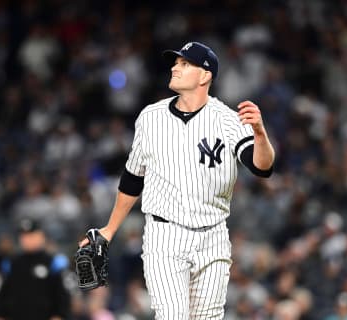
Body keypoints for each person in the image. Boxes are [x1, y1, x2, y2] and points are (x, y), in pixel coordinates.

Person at [79, 41, 275, 319]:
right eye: (176, 62)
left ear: (205, 75)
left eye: (185, 63)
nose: (175, 67)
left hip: (213, 236)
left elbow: (262, 167)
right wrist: (110, 229)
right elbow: (133, 178)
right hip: (165, 235)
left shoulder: (228, 121)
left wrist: (259, 132)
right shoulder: (150, 117)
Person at [0, 218, 70, 320]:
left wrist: (60, 315)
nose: (26, 239)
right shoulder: (12, 263)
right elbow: (3, 295)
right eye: (23, 236)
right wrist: (0, 315)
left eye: (31, 235)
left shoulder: (52, 262)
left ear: (41, 236)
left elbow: (62, 297)